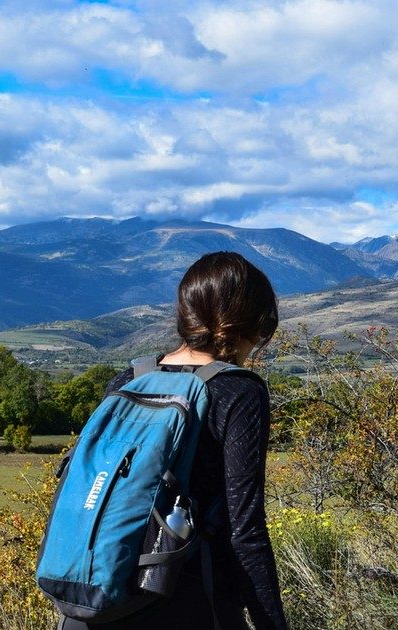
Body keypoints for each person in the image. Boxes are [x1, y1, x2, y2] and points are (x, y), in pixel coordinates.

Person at [66, 251, 288, 630]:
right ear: (252, 322)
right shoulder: (237, 391)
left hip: (94, 601)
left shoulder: (129, 379)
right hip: (187, 602)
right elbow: (245, 531)